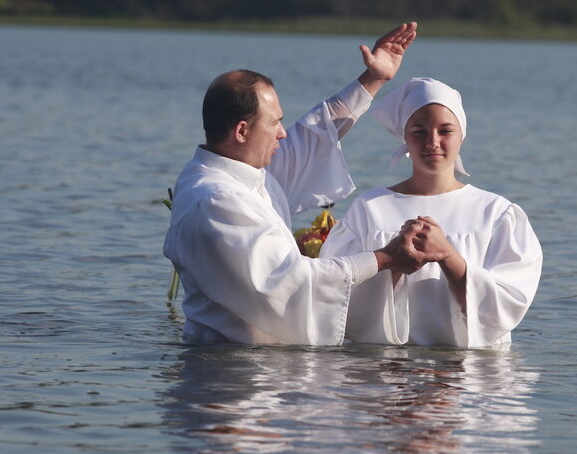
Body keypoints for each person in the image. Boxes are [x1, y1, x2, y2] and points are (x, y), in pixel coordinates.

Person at [163, 22, 432, 345]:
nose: (283, 132)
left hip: (257, 371)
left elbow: (314, 134)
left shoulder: (242, 172)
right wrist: (385, 258)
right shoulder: (216, 200)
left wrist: (373, 80)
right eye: (275, 122)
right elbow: (289, 281)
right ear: (242, 131)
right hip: (227, 377)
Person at [319, 77, 542, 347]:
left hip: (469, 380)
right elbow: (334, 294)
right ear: (405, 136)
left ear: (462, 135)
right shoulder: (371, 208)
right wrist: (393, 262)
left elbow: (509, 302)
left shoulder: (496, 214)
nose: (432, 142)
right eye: (419, 131)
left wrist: (449, 257)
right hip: (386, 374)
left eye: (445, 131)